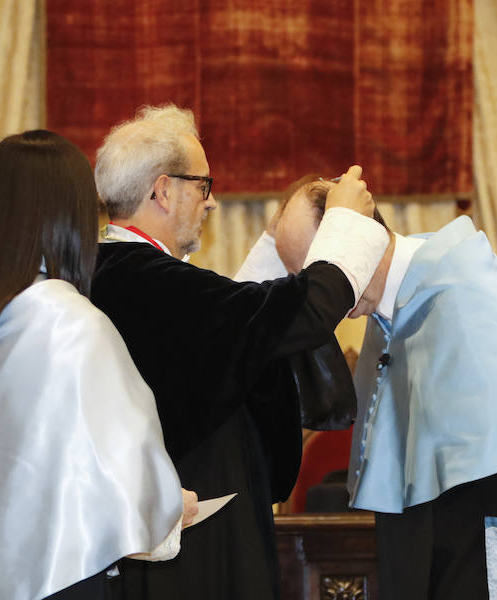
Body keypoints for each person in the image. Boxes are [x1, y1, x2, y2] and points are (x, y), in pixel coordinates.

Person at [0, 130, 193, 600]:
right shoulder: (69, 324)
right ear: (74, 217)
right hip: (53, 581)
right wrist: (172, 507)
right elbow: (130, 476)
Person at [90, 105, 390, 600]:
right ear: (163, 191)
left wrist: (277, 241)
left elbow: (230, 336)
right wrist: (346, 224)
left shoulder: (110, 272)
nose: (213, 203)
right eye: (204, 186)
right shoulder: (154, 283)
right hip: (195, 549)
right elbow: (301, 314)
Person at [271, 179, 497, 600]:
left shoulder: (459, 286)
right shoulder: (388, 313)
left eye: (317, 270)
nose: (317, 291)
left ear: (359, 236)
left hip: (485, 548)